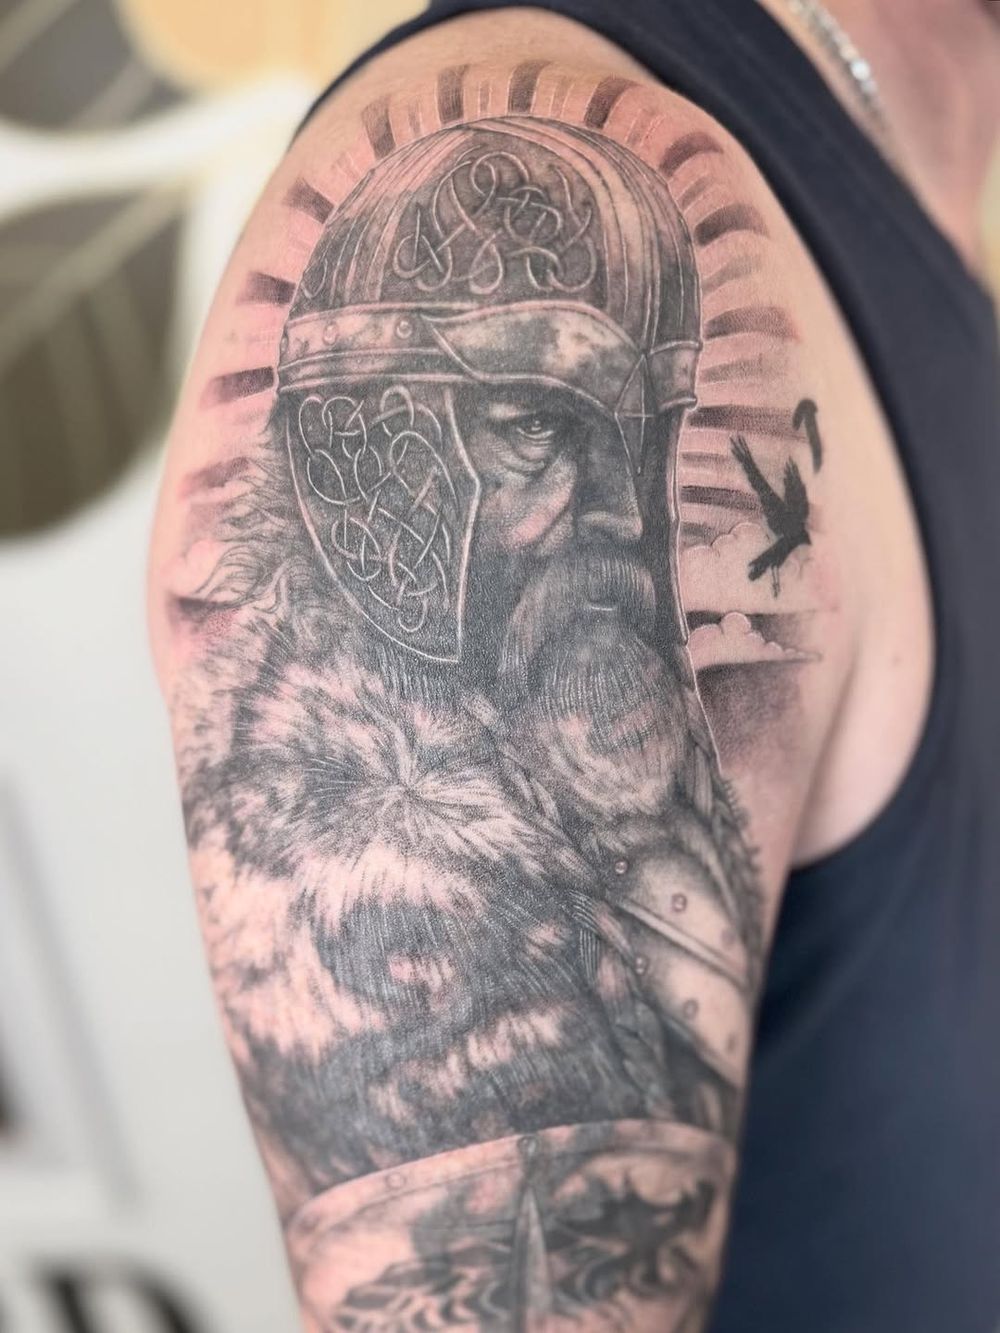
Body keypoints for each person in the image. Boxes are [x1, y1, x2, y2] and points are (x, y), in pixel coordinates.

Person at [148, 2, 1000, 1329]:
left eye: (628, 443)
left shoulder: (905, 183)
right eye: (534, 436)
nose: (610, 520)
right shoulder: (539, 132)